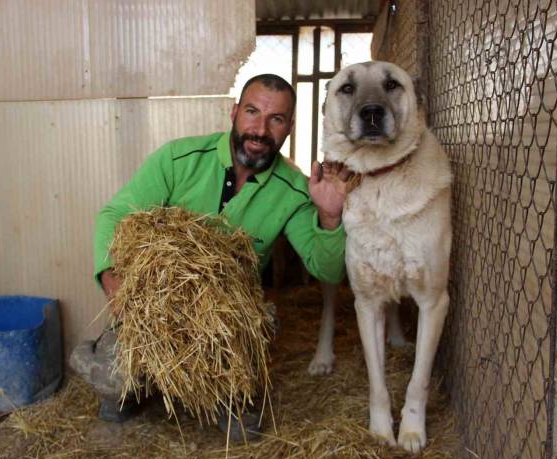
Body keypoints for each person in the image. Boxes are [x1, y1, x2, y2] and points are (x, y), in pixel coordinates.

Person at [70, 74, 350, 440]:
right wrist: (113, 281)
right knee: (115, 382)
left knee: (241, 422)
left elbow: (326, 268)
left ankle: (220, 394)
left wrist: (330, 217)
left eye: (276, 119)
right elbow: (114, 215)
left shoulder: (295, 190)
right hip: (156, 309)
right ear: (233, 112)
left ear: (289, 127)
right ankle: (109, 367)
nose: (260, 129)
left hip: (225, 322)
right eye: (252, 112)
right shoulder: (178, 158)